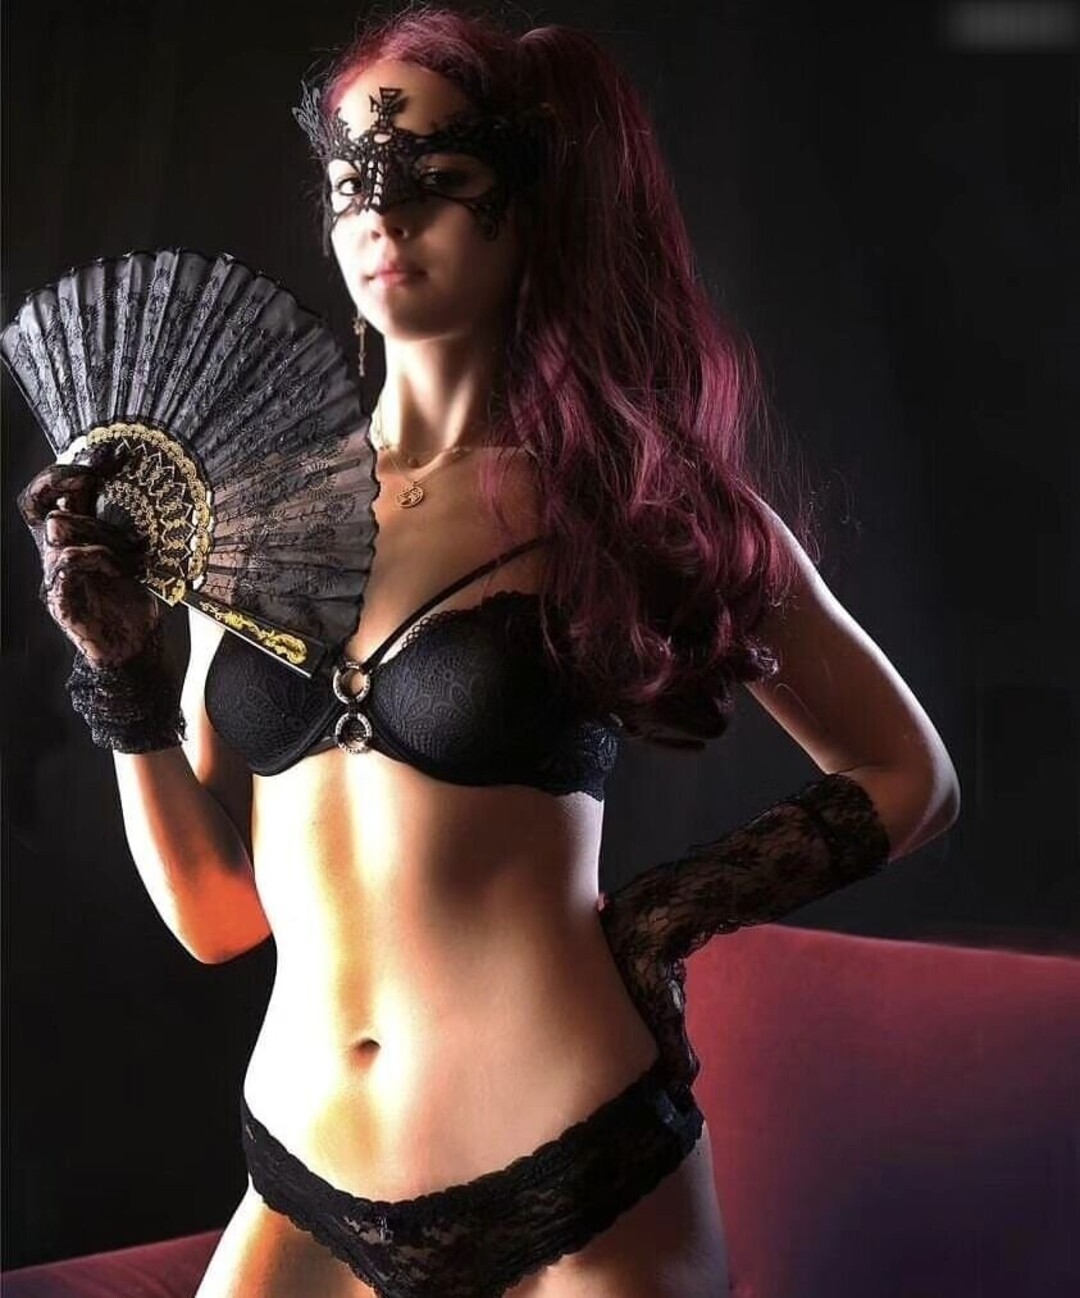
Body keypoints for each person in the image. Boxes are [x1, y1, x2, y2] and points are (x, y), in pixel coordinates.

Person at [17, 7, 960, 1297]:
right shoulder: (245, 518)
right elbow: (218, 917)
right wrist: (123, 683)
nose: (383, 216)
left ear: (534, 207)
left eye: (437, 178)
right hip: (300, 1183)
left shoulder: (630, 500)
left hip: (577, 1182)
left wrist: (666, 915)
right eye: (352, 183)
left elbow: (913, 776)